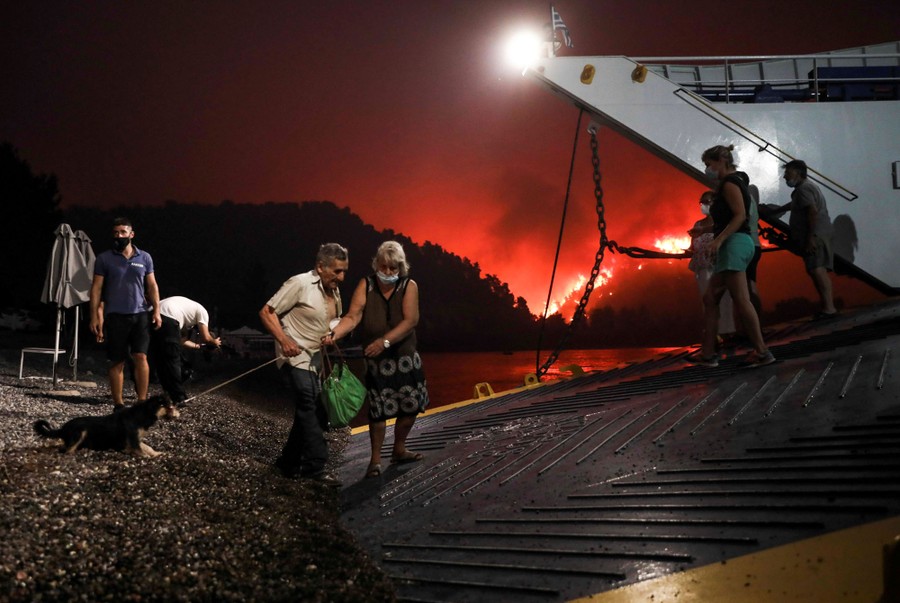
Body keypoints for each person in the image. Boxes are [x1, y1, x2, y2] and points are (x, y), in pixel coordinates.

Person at [323, 241, 429, 479]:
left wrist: (385, 342)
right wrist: (335, 334)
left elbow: (410, 320)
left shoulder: (408, 285)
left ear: (400, 267)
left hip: (405, 358)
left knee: (411, 406)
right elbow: (353, 315)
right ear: (376, 264)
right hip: (376, 360)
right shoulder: (366, 284)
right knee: (378, 412)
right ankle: (375, 460)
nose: (388, 272)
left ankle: (399, 449)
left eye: (393, 268)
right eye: (384, 267)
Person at [259, 243, 348, 487]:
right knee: (310, 406)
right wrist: (285, 340)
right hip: (295, 357)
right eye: (337, 271)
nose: (341, 277)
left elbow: (333, 320)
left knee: (309, 412)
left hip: (317, 361)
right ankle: (315, 467)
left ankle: (287, 463)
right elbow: (267, 312)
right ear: (320, 267)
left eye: (344, 272)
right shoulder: (298, 283)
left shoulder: (334, 290)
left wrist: (333, 334)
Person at [687, 145, 775, 368]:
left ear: (721, 162)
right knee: (710, 299)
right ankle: (708, 354)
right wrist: (707, 232)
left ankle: (762, 352)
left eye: (708, 164)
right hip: (735, 244)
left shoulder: (730, 183)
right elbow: (727, 218)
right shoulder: (733, 184)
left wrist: (718, 240)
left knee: (741, 300)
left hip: (734, 244)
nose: (707, 169)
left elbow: (739, 216)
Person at [89, 217, 162, 408]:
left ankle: (142, 401)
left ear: (131, 234)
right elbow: (96, 289)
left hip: (140, 315)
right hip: (115, 316)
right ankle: (119, 404)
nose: (119, 236)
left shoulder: (144, 257)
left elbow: (152, 285)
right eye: (115, 232)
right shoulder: (104, 258)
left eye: (123, 232)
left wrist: (157, 311)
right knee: (117, 360)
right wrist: (95, 316)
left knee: (141, 357)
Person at [764, 159, 837, 320]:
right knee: (818, 269)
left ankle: (829, 308)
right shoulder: (806, 188)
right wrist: (780, 209)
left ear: (798, 172)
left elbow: (811, 211)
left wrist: (810, 238)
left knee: (817, 269)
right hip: (820, 233)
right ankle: (828, 307)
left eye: (787, 172)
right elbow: (798, 204)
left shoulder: (803, 189)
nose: (784, 177)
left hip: (815, 235)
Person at [149, 296, 222, 405]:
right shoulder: (202, 311)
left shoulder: (187, 310)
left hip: (151, 314)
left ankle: (166, 394)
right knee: (173, 359)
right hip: (169, 316)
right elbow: (206, 337)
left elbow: (181, 341)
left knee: (161, 358)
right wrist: (214, 342)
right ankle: (179, 397)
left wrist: (199, 346)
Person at [688, 191, 737, 345]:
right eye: (701, 202)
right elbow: (693, 246)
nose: (703, 205)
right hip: (702, 269)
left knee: (725, 300)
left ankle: (727, 332)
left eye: (707, 201)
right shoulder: (698, 225)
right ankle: (713, 334)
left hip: (719, 266)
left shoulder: (723, 224)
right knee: (707, 301)